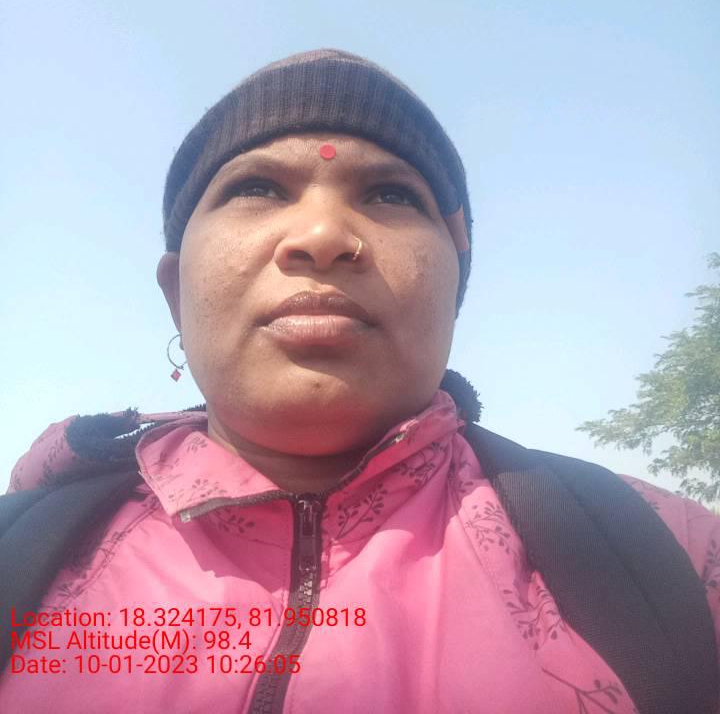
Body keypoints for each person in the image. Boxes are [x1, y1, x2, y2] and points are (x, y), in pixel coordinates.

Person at [0, 48, 718, 714]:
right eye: (257, 187)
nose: (321, 236)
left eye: (390, 195)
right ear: (175, 293)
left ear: (454, 289)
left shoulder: (672, 560)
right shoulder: (22, 556)